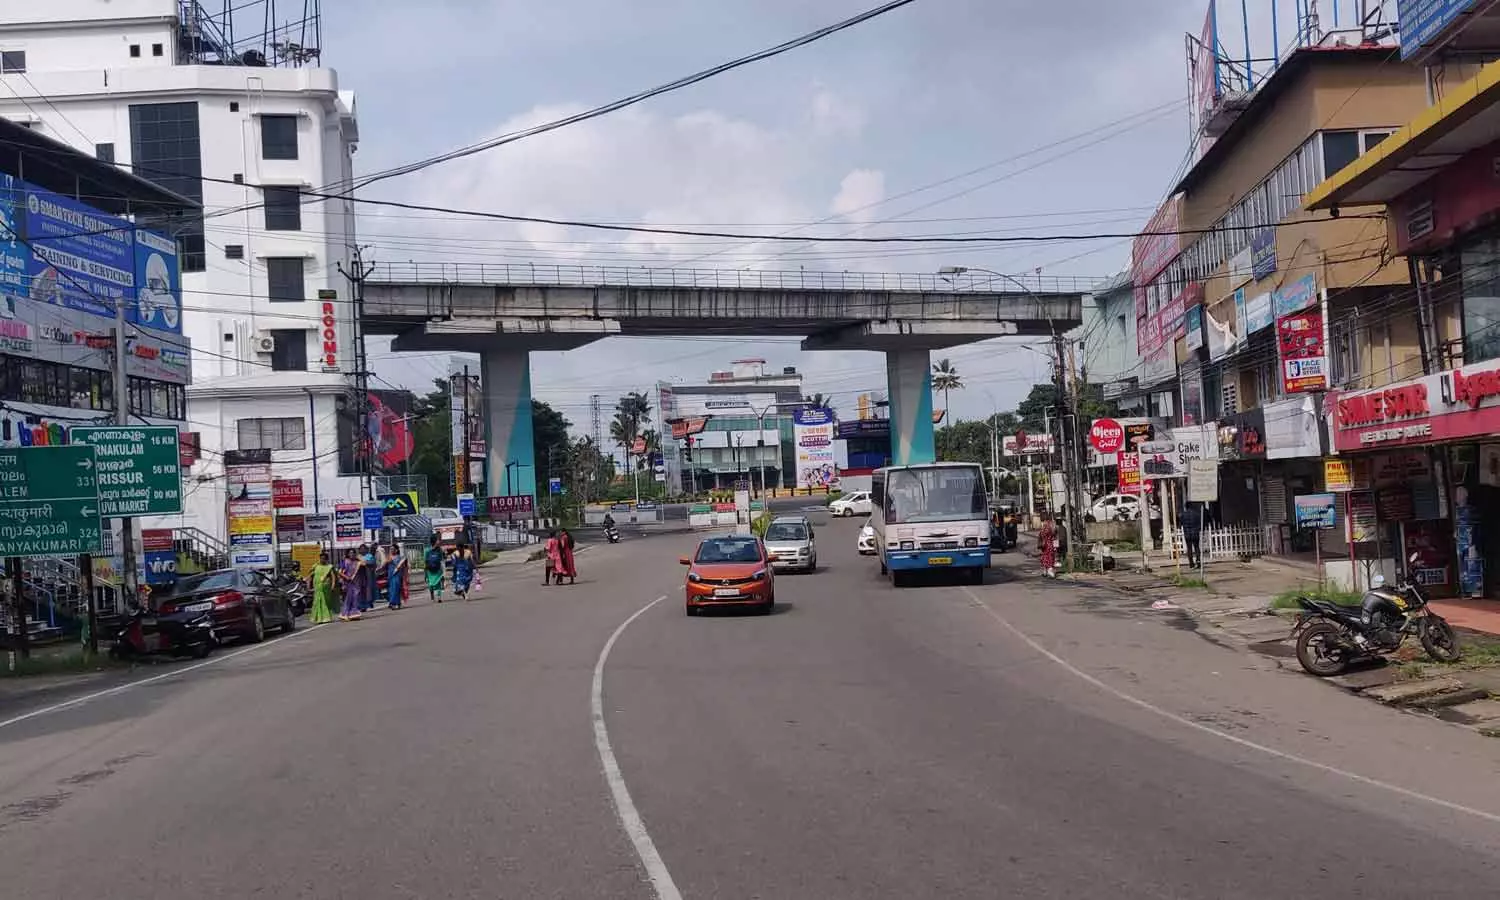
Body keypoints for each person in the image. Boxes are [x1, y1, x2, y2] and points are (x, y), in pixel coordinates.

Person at [308, 550, 338, 625]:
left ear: (327, 559)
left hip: (326, 587)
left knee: (325, 602)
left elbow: (333, 577)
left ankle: (326, 617)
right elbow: (310, 576)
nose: (322, 560)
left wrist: (333, 585)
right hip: (317, 587)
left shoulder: (329, 567)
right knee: (317, 602)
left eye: (324, 558)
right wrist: (308, 586)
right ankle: (318, 618)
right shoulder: (316, 566)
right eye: (321, 558)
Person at [337, 548, 363, 621]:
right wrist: (346, 577)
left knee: (355, 598)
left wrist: (358, 558)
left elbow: (364, 563)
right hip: (347, 583)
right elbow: (339, 572)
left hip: (356, 582)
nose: (352, 554)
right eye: (350, 553)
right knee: (348, 599)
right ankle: (345, 614)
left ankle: (354, 614)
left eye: (353, 553)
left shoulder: (357, 562)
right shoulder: (345, 562)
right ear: (348, 554)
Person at [424, 536, 447, 603]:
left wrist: (443, 571)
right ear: (434, 541)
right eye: (437, 540)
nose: (439, 541)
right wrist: (425, 573)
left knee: (438, 583)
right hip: (429, 570)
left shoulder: (439, 550)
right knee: (430, 584)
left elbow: (442, 560)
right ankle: (432, 595)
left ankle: (439, 597)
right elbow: (425, 561)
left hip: (438, 569)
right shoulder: (427, 550)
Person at [1181, 500, 1204, 569]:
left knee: (1189, 548)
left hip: (1187, 534)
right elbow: (1200, 524)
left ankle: (1191, 563)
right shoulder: (1197, 514)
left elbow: (1181, 523)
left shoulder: (1183, 515)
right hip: (1195, 533)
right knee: (1197, 547)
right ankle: (1198, 560)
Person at [387, 543, 408, 610]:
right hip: (390, 575)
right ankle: (398, 603)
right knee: (391, 590)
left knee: (396, 589)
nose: (391, 550)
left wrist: (405, 576)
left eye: (392, 549)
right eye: (390, 549)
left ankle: (392, 603)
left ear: (396, 550)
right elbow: (384, 565)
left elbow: (404, 567)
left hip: (397, 575)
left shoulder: (400, 558)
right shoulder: (389, 557)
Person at [1038, 513, 1059, 578]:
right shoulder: (1053, 525)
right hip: (1052, 544)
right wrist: (1056, 546)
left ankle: (1048, 572)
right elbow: (1055, 536)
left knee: (1045, 557)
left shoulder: (1045, 526)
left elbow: (1042, 534)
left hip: (1046, 544)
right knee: (1051, 557)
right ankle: (1048, 571)